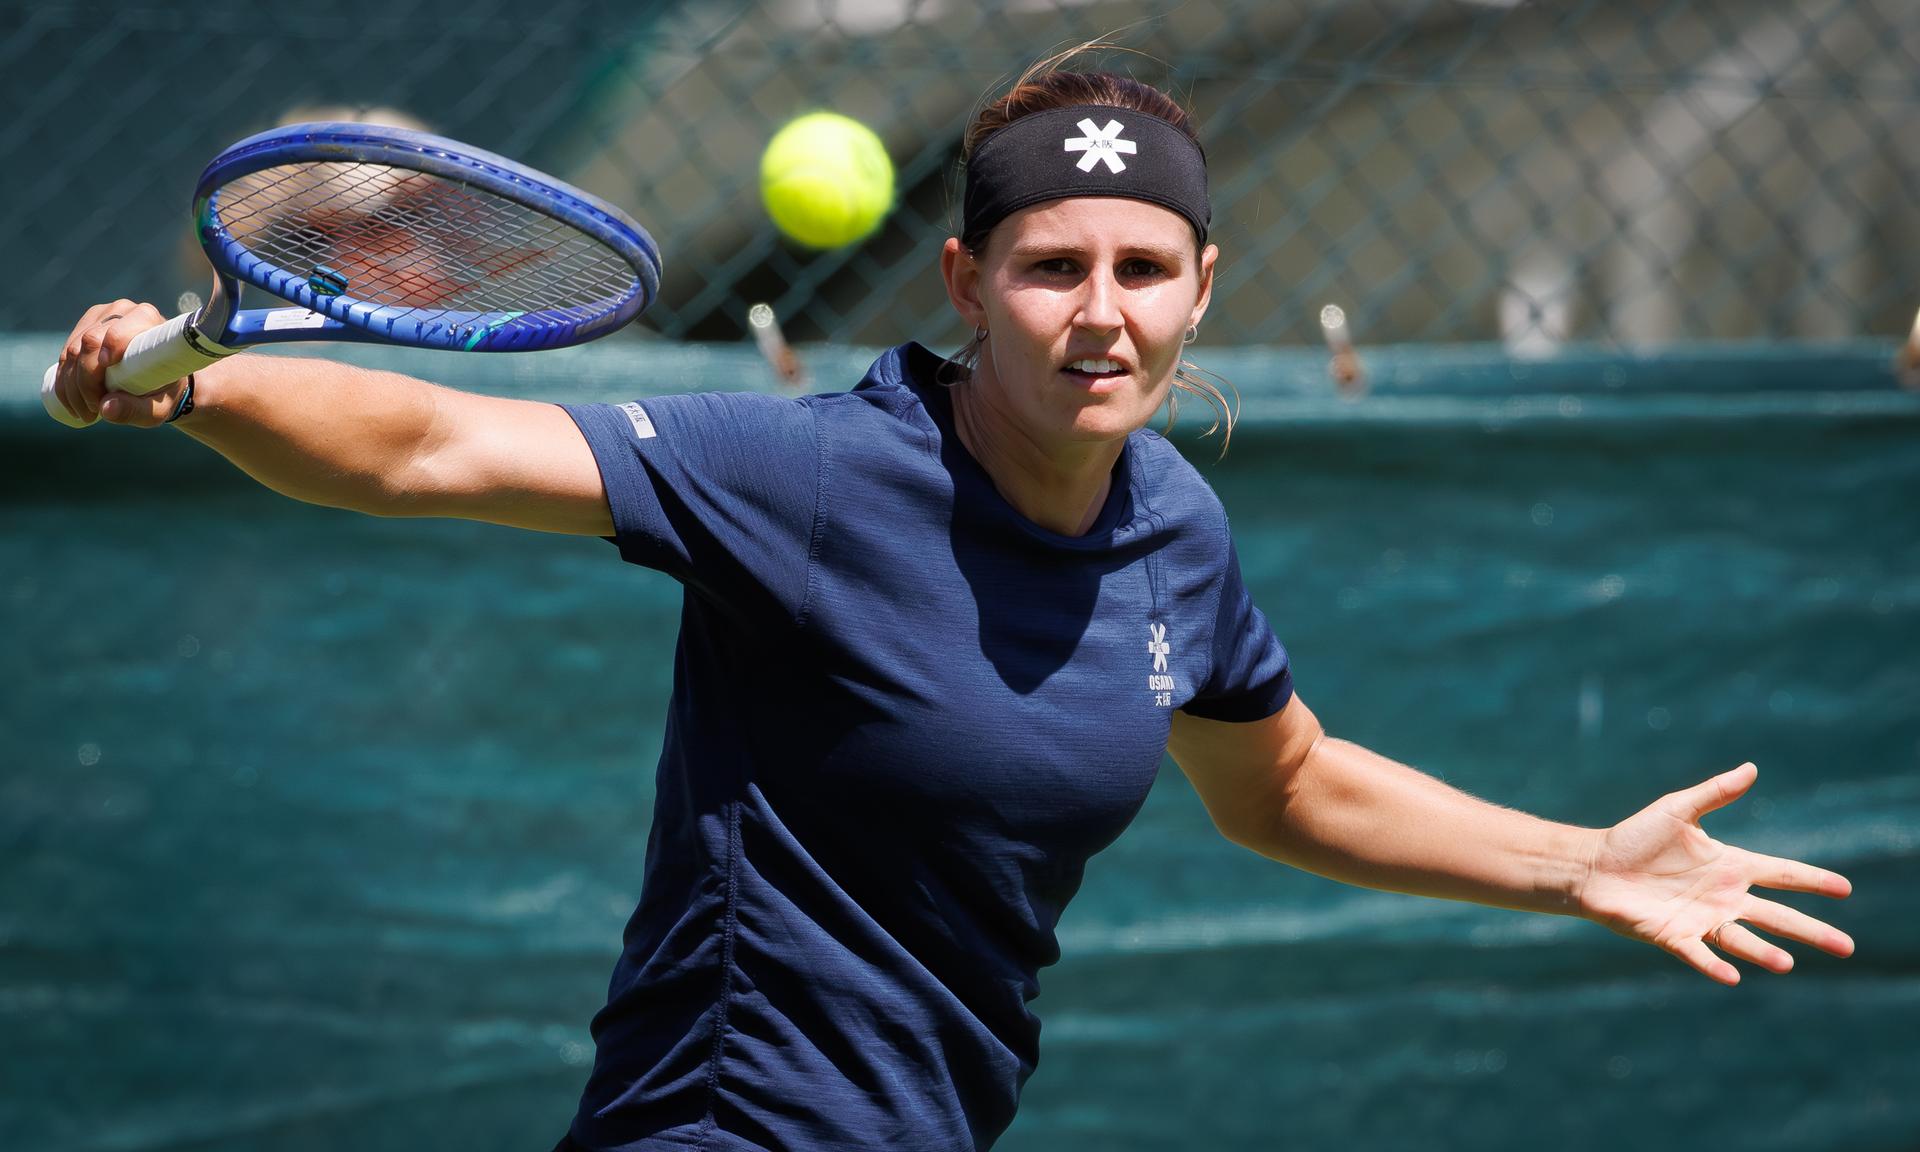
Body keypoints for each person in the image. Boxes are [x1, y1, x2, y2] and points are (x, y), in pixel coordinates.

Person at [48, 61, 1855, 1152]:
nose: (1100, 313)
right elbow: (432, 443)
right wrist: (189, 386)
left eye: (1142, 272)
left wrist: (1576, 861)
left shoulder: (1173, 528)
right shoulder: (818, 479)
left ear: (1202, 290)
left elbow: (1288, 783)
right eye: (1052, 269)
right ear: (967, 281)